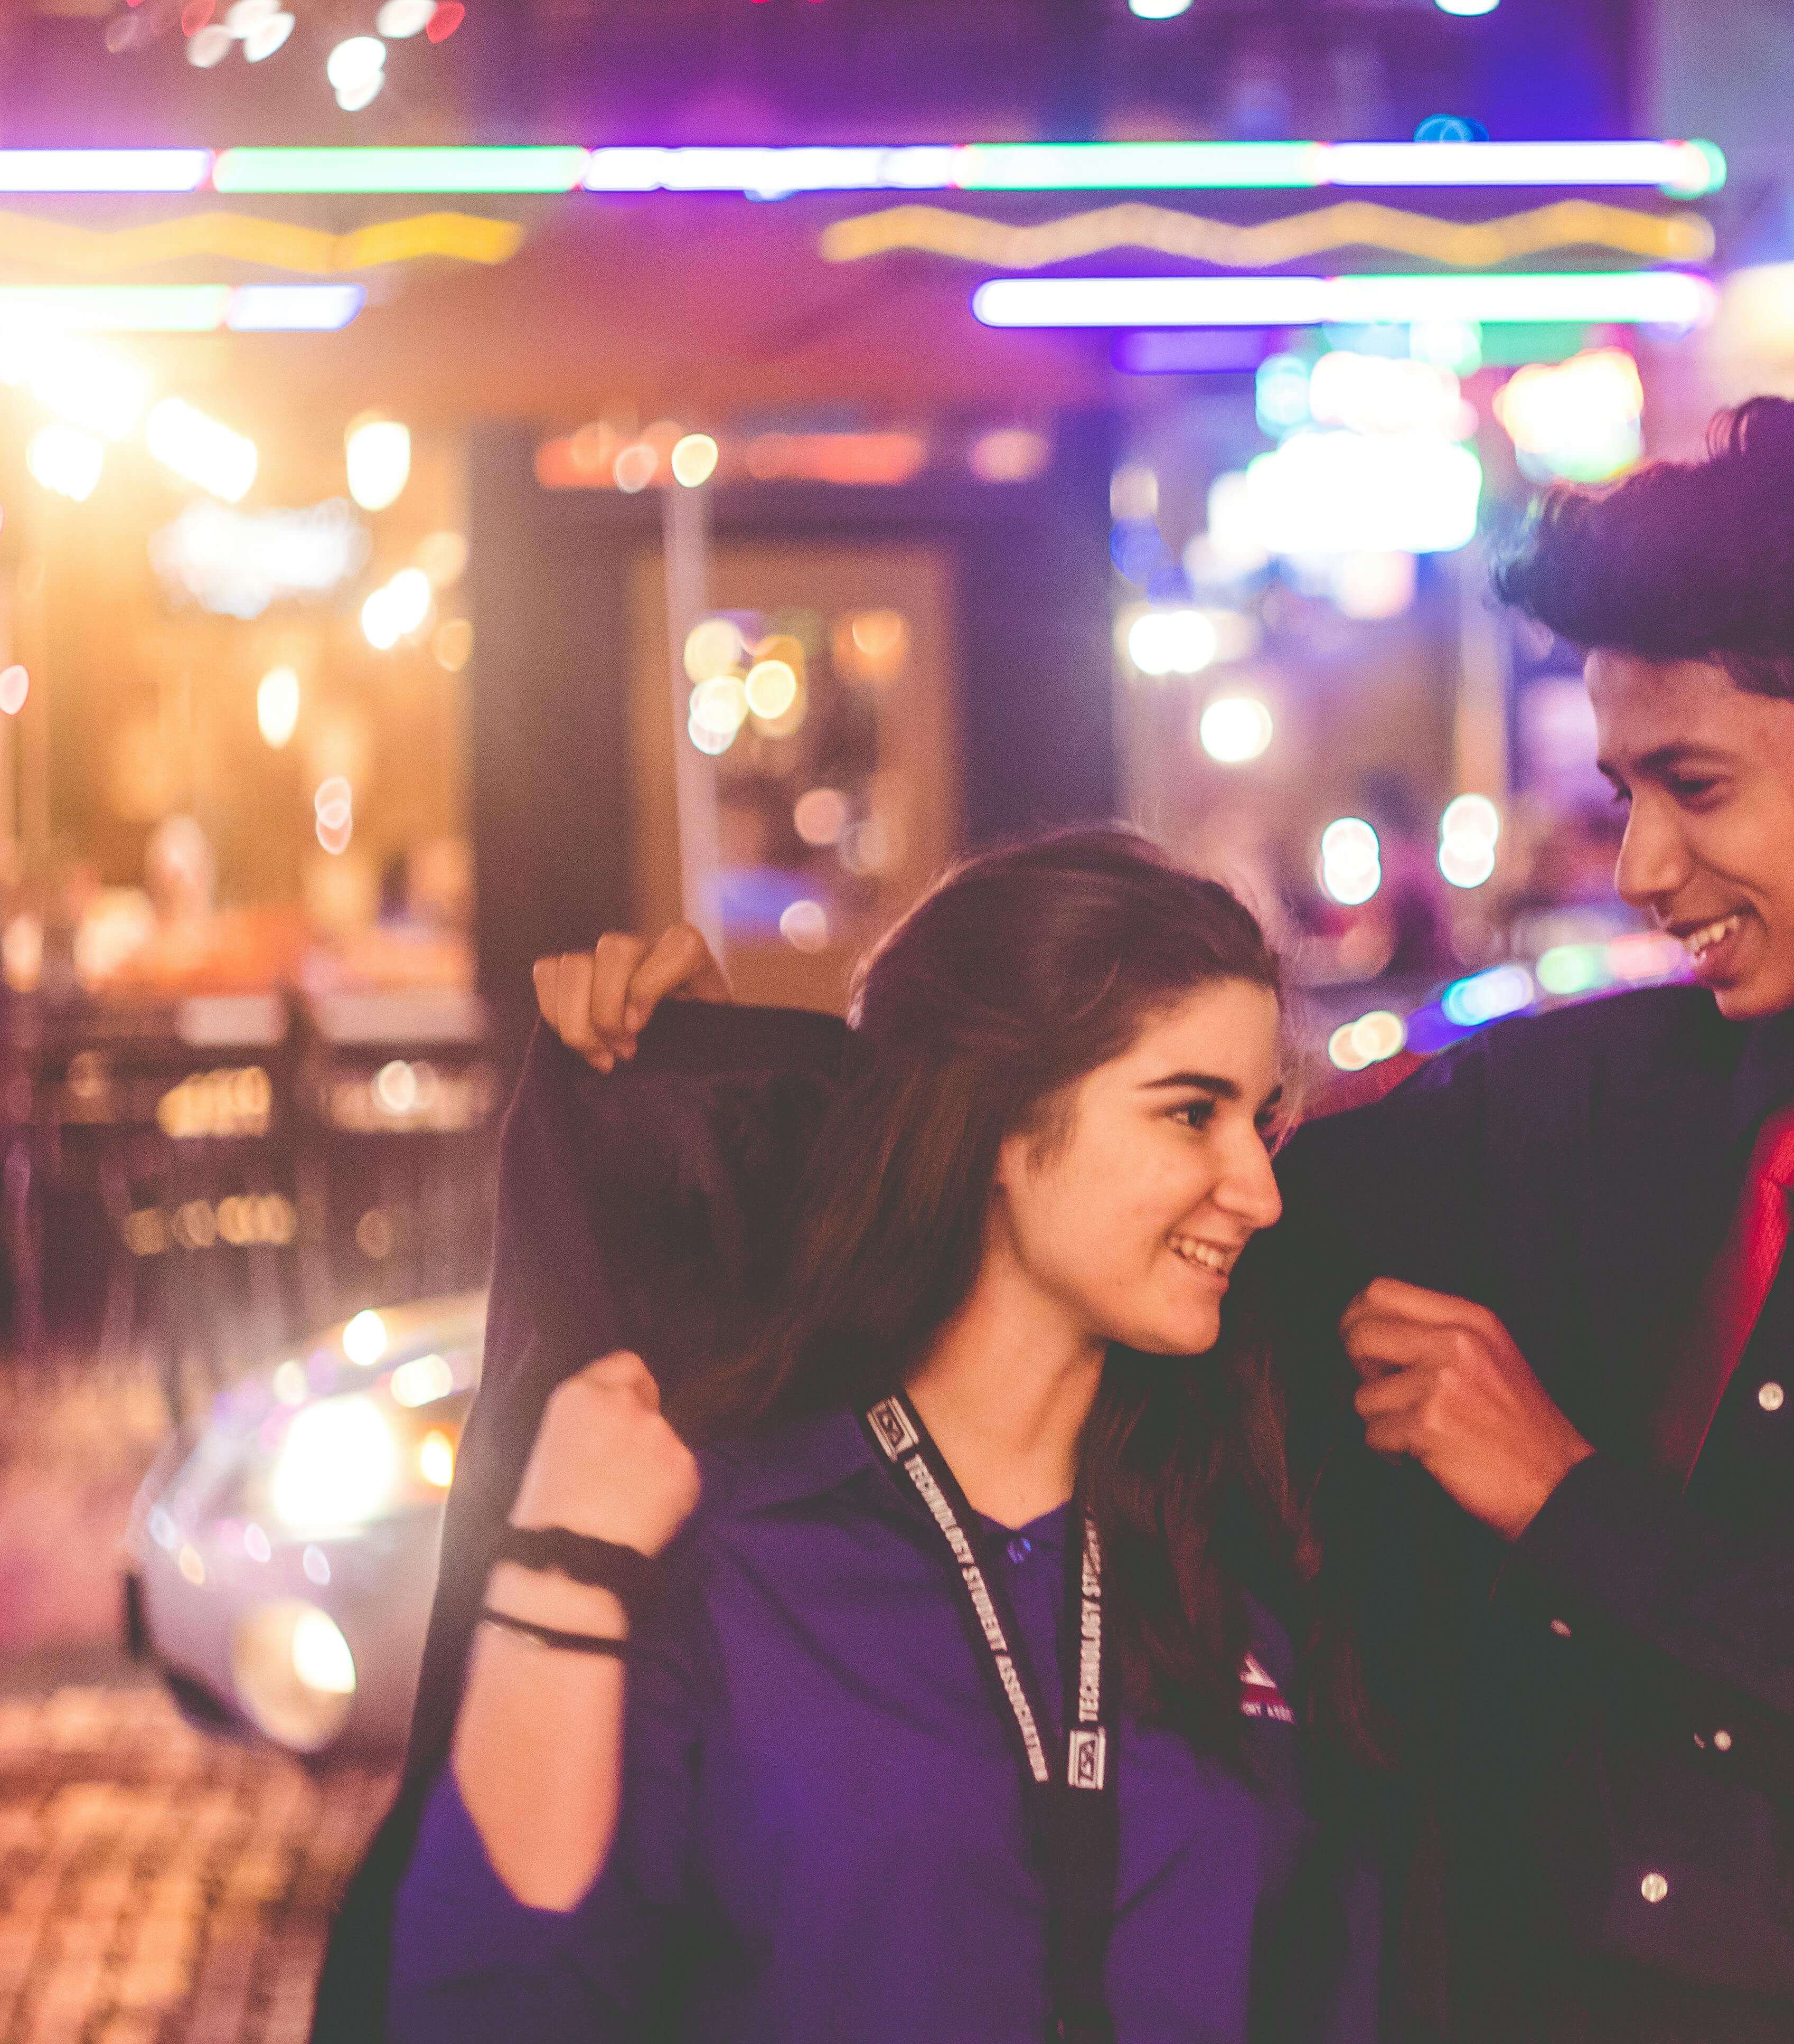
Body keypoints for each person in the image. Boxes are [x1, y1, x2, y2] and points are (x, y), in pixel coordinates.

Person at [538, 397, 1794, 2042]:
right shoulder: (1578, 1109)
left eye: (1695, 788)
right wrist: (703, 1076)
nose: (1637, 869)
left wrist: (1569, 1503)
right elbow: (1093, 1220)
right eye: (1625, 795)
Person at [383, 833, 1378, 2041]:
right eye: (1191, 1112)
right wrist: (558, 1575)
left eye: (1260, 1119)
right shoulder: (723, 1551)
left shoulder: (1242, 1545)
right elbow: (491, 2007)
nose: (1258, 1189)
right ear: (1002, 1124)